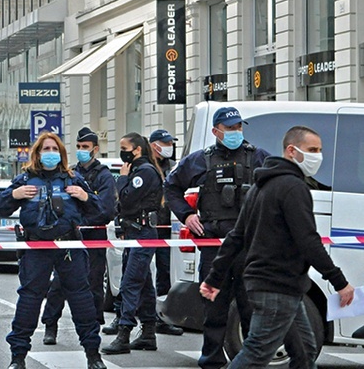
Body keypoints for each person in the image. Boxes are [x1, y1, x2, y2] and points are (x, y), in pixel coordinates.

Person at [200, 126, 355, 368]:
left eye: (320, 150)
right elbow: (308, 241)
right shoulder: (293, 188)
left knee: (304, 350)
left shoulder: (259, 187)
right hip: (277, 285)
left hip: (277, 285)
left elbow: (235, 238)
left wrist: (214, 278)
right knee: (257, 351)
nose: (318, 156)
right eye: (312, 150)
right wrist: (339, 282)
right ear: (291, 151)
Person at [164, 107, 271, 369]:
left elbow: (277, 188)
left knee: (250, 306)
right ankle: (211, 360)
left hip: (248, 246)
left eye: (238, 127)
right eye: (230, 127)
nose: (235, 132)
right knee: (214, 306)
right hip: (214, 245)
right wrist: (187, 215)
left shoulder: (258, 157)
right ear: (216, 131)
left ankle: (250, 361)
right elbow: (171, 186)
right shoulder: (200, 159)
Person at [0, 132, 107, 369]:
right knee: (29, 300)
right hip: (36, 247)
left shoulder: (73, 179)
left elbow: (102, 213)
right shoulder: (25, 179)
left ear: (62, 154)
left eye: (55, 149)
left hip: (68, 246)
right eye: (46, 149)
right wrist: (14, 195)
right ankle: (18, 357)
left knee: (81, 299)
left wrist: (86, 197)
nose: (51, 154)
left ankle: (93, 355)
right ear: (37, 153)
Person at [41, 127, 116, 345]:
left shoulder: (104, 176)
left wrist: (85, 200)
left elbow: (107, 210)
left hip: (93, 236)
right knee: (59, 284)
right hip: (70, 236)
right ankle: (50, 325)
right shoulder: (70, 173)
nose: (82, 151)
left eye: (86, 147)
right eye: (79, 147)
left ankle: (92, 327)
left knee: (93, 284)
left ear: (95, 149)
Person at [101, 133, 164, 354]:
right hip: (134, 232)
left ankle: (124, 333)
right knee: (144, 284)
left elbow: (127, 199)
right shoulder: (139, 170)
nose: (122, 152)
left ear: (136, 149)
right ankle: (148, 333)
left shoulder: (144, 172)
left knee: (130, 283)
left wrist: (122, 179)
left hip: (143, 233)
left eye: (124, 147)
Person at [148, 129, 184, 336]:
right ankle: (124, 317)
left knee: (165, 273)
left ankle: (162, 317)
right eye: (166, 142)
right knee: (140, 274)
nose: (170, 146)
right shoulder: (146, 167)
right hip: (148, 227)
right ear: (155, 145)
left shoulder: (172, 167)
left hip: (167, 229)